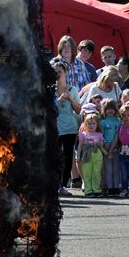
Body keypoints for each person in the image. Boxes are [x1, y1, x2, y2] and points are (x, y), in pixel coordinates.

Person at [52, 60, 80, 197]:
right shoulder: (50, 90)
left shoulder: (72, 89)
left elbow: (78, 110)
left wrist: (70, 99)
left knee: (68, 157)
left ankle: (63, 185)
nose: (58, 74)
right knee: (54, 157)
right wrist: (59, 101)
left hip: (70, 128)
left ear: (66, 73)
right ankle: (54, 184)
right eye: (55, 72)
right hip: (54, 129)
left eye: (60, 71)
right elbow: (48, 109)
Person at [78, 112, 104, 199]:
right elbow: (80, 146)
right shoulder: (83, 134)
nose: (91, 125)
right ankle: (88, 190)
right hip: (86, 155)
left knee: (97, 173)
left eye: (93, 123)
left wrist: (106, 152)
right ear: (85, 124)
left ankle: (97, 190)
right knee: (87, 173)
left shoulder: (99, 134)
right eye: (89, 123)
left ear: (97, 124)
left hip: (97, 155)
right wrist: (78, 156)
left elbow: (101, 146)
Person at [99, 99, 122, 195]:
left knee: (116, 169)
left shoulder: (119, 121)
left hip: (117, 148)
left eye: (112, 108)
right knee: (108, 170)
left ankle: (116, 188)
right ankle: (110, 188)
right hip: (106, 149)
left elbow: (121, 135)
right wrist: (105, 143)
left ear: (115, 110)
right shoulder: (102, 122)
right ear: (104, 110)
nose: (110, 110)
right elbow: (101, 135)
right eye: (108, 108)